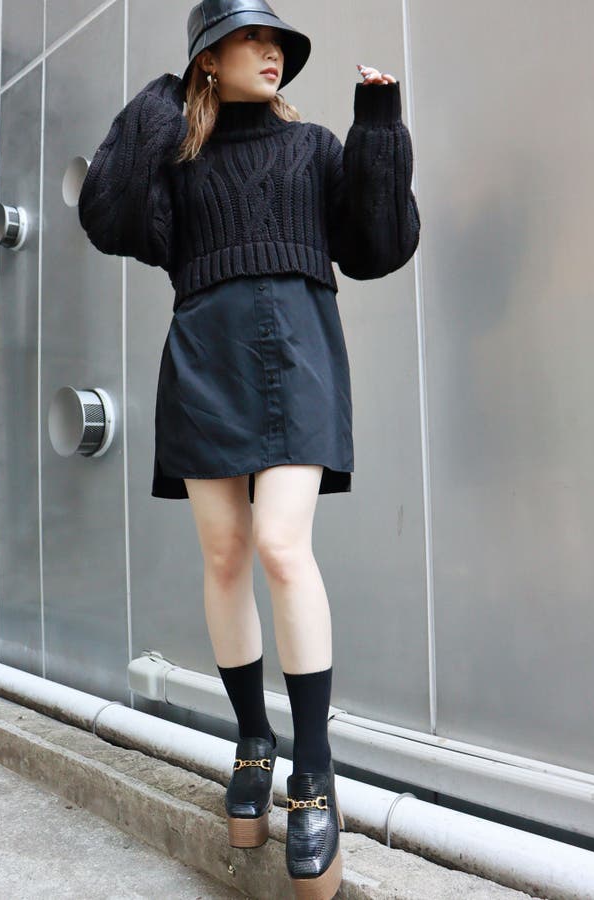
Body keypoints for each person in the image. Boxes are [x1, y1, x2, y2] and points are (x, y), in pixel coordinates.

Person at [77, 2, 420, 896]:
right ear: (207, 57)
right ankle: (253, 741)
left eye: (278, 42)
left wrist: (379, 128)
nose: (271, 53)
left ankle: (314, 771)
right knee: (226, 552)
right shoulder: (178, 157)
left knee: (279, 544)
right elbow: (107, 216)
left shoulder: (313, 149)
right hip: (205, 354)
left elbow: (380, 245)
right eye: (249, 39)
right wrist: (168, 97)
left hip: (298, 348)